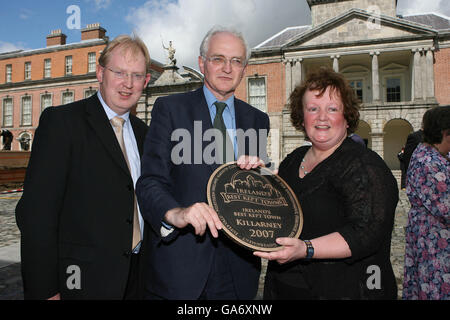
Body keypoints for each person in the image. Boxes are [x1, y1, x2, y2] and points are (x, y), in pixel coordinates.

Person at [136, 25, 270, 300]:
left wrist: (263, 178)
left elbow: (254, 196)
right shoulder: (170, 109)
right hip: (180, 268)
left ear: (244, 68)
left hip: (239, 271)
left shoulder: (257, 120)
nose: (227, 68)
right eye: (218, 58)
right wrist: (177, 213)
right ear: (202, 63)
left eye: (236, 61)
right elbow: (150, 182)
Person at [15, 34, 151, 300]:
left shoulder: (146, 134)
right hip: (79, 281)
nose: (128, 84)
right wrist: (45, 290)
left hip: (138, 279)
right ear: (100, 73)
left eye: (137, 76)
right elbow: (36, 215)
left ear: (146, 81)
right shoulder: (62, 123)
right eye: (119, 72)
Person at [254, 68, 398, 300]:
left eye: (332, 109)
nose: (322, 117)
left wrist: (306, 249)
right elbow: (274, 206)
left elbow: (367, 234)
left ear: (347, 116)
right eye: (313, 109)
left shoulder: (365, 166)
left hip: (344, 288)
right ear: (302, 117)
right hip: (286, 287)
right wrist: (253, 173)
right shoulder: (294, 159)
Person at [402, 106, 450, 300]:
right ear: (446, 133)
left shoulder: (430, 153)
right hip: (434, 237)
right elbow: (446, 208)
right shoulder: (430, 162)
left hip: (428, 232)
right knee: (435, 286)